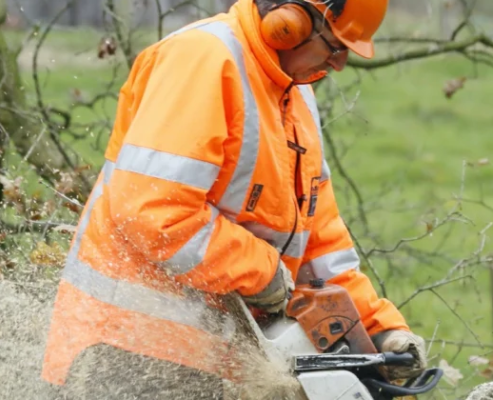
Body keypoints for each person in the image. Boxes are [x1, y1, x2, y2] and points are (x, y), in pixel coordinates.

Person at [41, 0, 427, 398]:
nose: (340, 63)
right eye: (334, 46)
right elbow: (154, 211)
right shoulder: (203, 61)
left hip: (215, 358)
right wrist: (262, 272)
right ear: (289, 23)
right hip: (129, 349)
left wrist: (379, 330)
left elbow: (316, 239)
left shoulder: (295, 93)